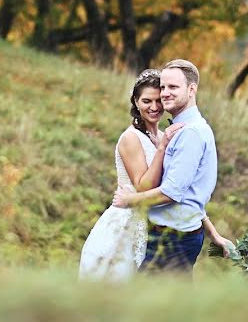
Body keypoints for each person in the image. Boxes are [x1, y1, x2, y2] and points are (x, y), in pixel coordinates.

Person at [112, 59, 229, 277]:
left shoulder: (189, 133)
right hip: (164, 234)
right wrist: (213, 234)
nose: (165, 94)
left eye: (173, 87)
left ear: (192, 89)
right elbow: (185, 191)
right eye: (163, 87)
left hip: (174, 238)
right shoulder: (174, 131)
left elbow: (172, 192)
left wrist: (129, 201)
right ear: (136, 102)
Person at [78, 69, 168, 281]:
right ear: (136, 101)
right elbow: (143, 186)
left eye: (158, 101)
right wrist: (163, 149)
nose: (154, 107)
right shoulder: (131, 138)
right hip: (127, 224)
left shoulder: (163, 136)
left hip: (154, 223)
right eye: (147, 101)